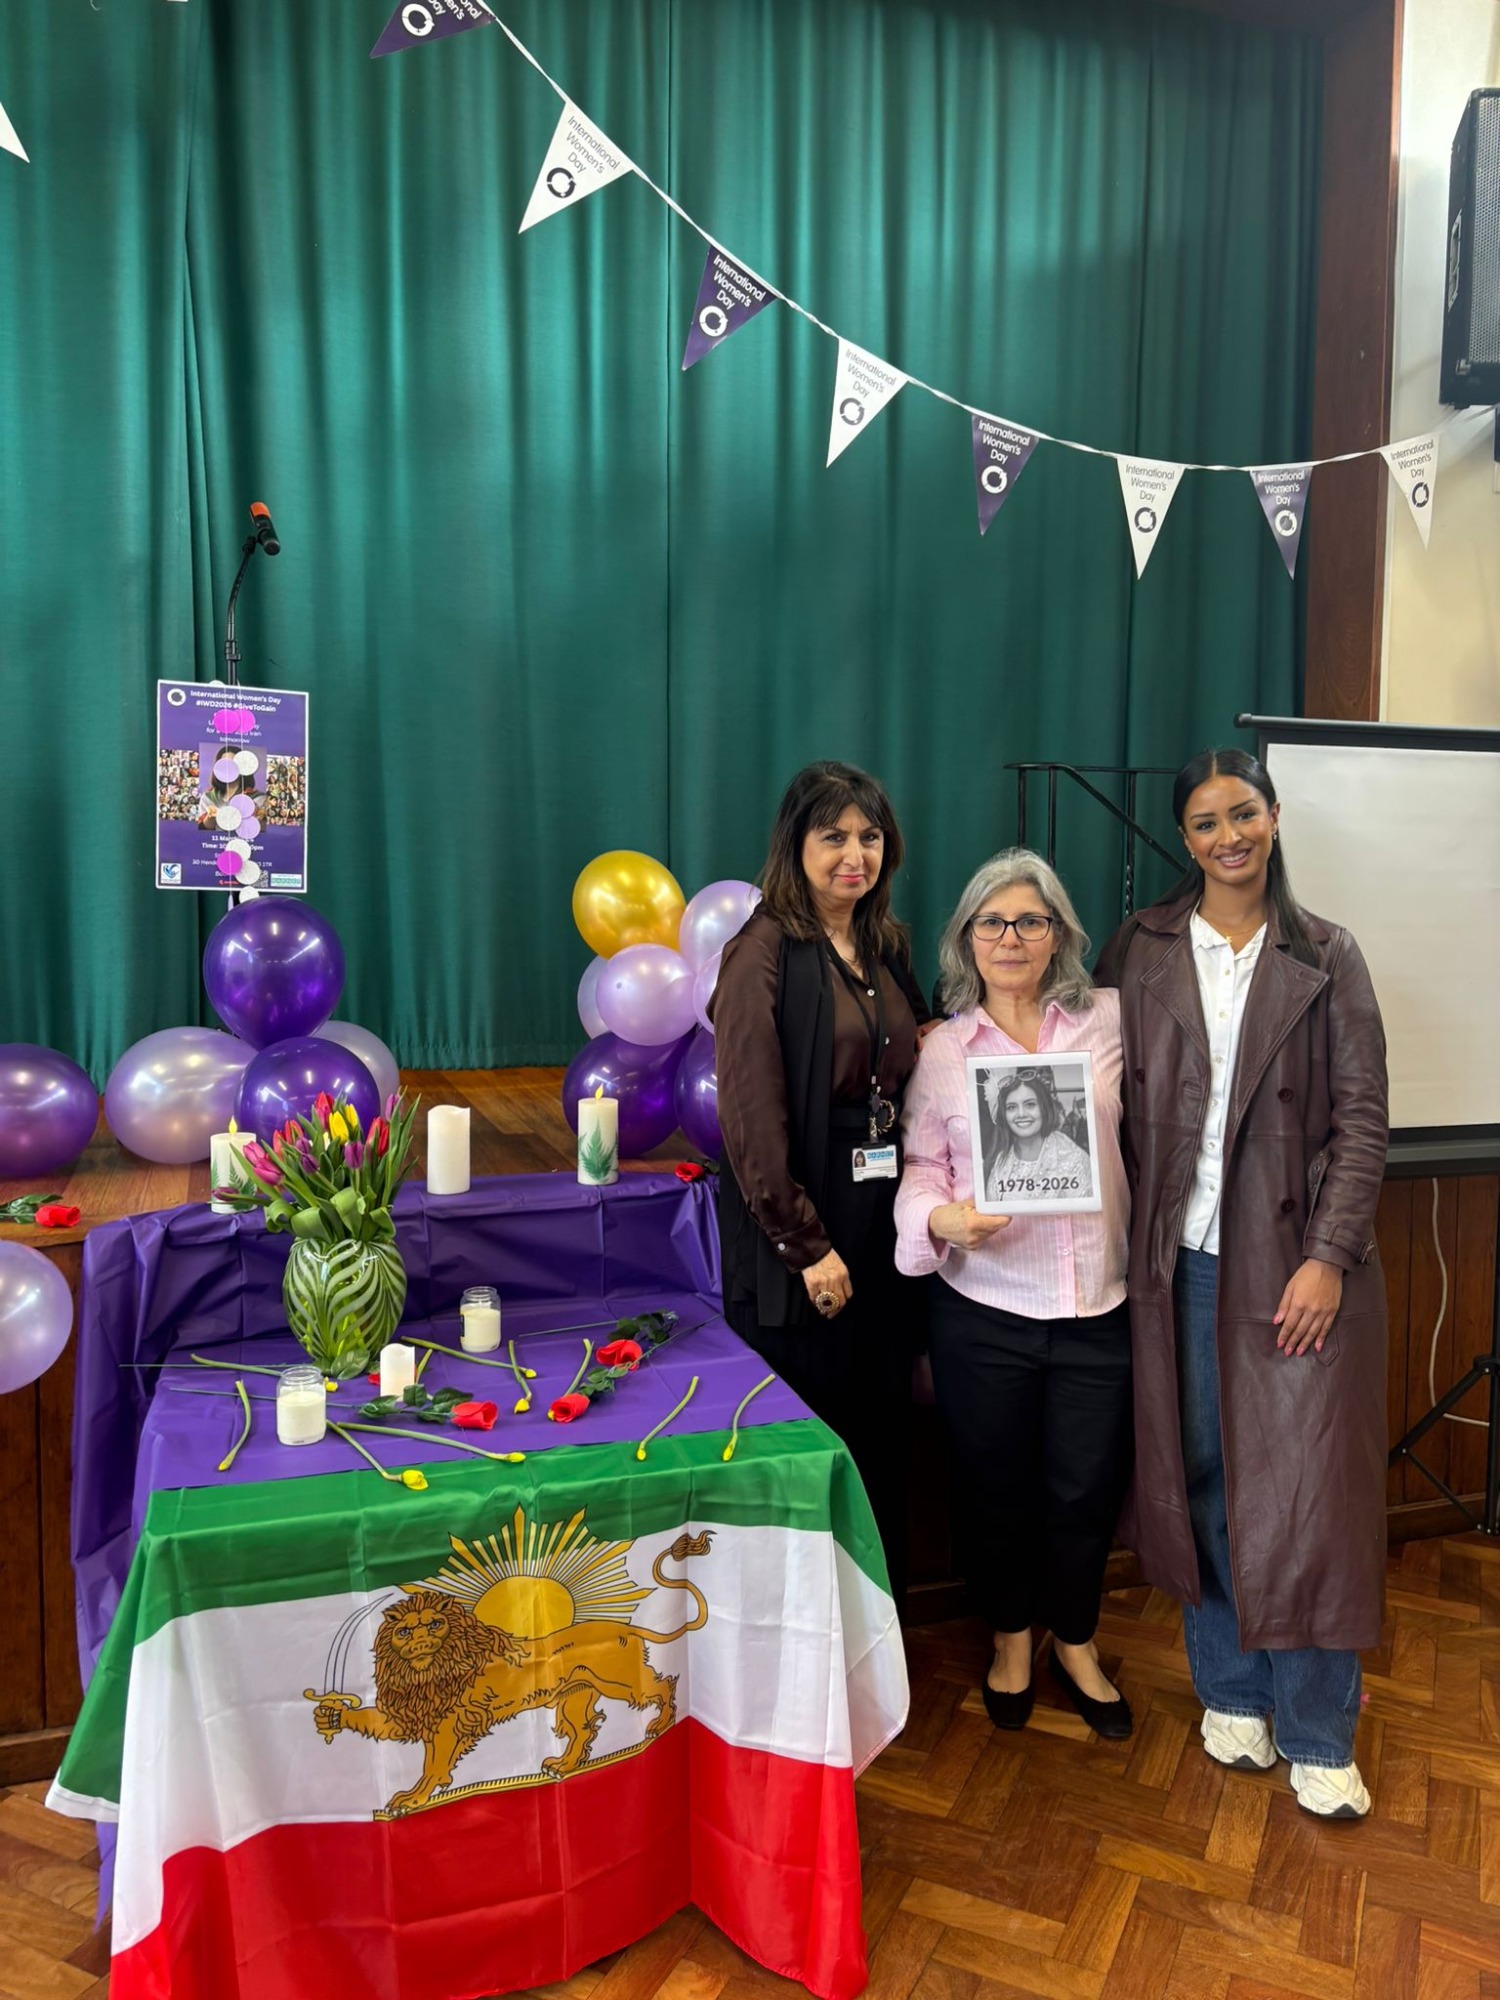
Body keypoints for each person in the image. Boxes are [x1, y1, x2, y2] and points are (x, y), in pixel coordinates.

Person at [1096, 747, 1388, 1819]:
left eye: (1245, 813)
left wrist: (1329, 1255)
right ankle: (1230, 1689)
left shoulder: (1328, 952)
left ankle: (1317, 1729)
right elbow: (1091, 1084)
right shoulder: (1141, 945)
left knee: (1307, 1501)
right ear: (1185, 837)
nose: (1230, 836)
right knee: (1201, 1480)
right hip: (1176, 1264)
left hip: (1292, 1268)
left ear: (1273, 817)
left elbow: (1363, 1121)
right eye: (1208, 821)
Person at [895, 850, 1133, 1738]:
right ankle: (1008, 1637)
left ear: (1059, 934)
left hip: (1097, 1305)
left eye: (1031, 920)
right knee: (993, 1487)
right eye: (991, 922)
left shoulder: (1111, 1021)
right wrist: (939, 1219)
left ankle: (1075, 1638)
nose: (1011, 938)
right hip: (985, 1308)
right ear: (966, 938)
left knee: (1085, 1490)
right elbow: (922, 1166)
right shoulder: (943, 1051)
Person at [712, 760, 931, 1602]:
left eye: (869, 836)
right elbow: (750, 1115)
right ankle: (808, 1638)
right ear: (794, 844)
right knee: (813, 1436)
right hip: (803, 1221)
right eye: (833, 835)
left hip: (883, 1212)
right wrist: (804, 1244)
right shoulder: (761, 951)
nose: (854, 855)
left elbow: (923, 1052)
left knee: (881, 1429)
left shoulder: (884, 944)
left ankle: (878, 1627)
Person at [982, 1067, 1093, 1204]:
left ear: (1044, 1107)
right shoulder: (999, 1161)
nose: (1021, 1114)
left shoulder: (1074, 1159)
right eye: (1011, 1107)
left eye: (1030, 1105)